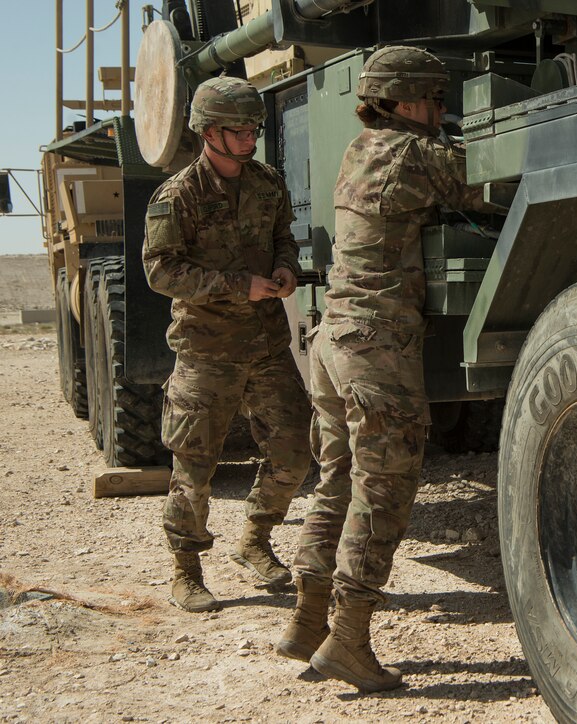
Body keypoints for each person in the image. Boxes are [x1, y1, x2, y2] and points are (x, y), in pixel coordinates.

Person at [274, 46, 493, 692]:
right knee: (384, 488)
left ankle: (307, 620)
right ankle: (348, 640)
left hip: (332, 343)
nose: (439, 111)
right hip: (375, 347)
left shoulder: (357, 150)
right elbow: (488, 184)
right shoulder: (410, 154)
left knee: (338, 482)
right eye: (432, 100)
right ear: (400, 102)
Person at [142, 76, 312, 613]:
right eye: (238, 129)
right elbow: (160, 270)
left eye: (253, 128)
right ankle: (186, 572)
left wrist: (286, 268)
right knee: (194, 467)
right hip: (206, 349)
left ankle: (255, 541)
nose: (249, 137)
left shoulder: (267, 183)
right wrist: (237, 286)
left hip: (266, 345)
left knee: (294, 453)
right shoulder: (178, 195)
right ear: (207, 133)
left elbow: (284, 234)